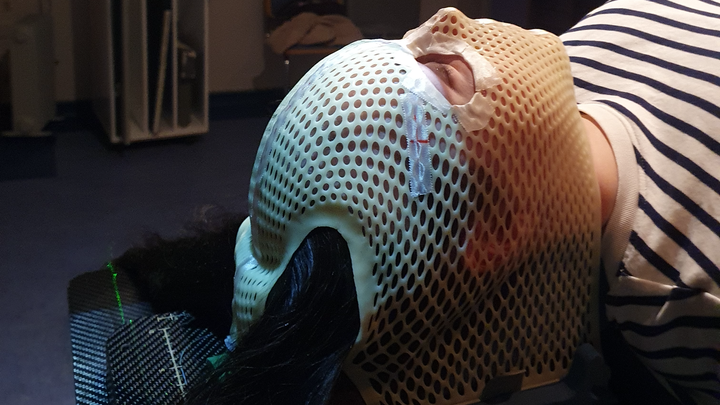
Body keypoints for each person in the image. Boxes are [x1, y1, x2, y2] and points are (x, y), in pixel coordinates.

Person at [115, 2, 719, 404]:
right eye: (447, 75)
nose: (444, 19)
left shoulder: (600, 38)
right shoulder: (685, 299)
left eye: (404, 49)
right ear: (496, 230)